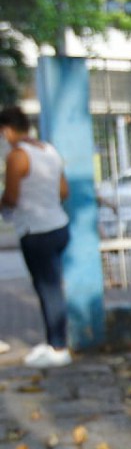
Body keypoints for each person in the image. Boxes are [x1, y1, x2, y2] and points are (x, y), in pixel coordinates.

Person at [0, 106, 72, 369]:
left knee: (48, 289)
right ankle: (54, 341)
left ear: (7, 130)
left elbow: (11, 197)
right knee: (51, 287)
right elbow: (64, 192)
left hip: (36, 230)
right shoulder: (49, 150)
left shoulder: (17, 156)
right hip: (59, 226)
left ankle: (58, 348)